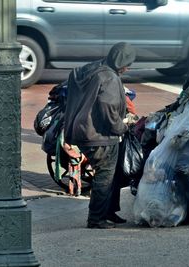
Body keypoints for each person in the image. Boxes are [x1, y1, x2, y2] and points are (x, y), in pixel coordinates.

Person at [64, 42, 136, 229]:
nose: (128, 68)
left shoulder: (93, 69)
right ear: (120, 62)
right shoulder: (110, 78)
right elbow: (108, 109)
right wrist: (122, 127)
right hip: (99, 134)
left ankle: (109, 211)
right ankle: (96, 218)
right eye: (127, 63)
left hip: (82, 128)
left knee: (113, 172)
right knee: (105, 174)